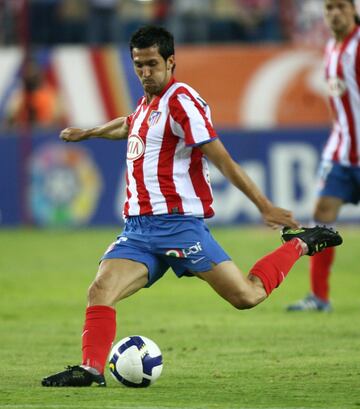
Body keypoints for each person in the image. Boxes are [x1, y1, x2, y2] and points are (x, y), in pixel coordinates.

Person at [41, 25, 342, 387]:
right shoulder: (147, 104)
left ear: (171, 61)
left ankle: (300, 243)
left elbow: (222, 158)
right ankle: (91, 370)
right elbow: (129, 124)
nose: (146, 73)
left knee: (246, 296)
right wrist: (87, 132)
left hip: (179, 226)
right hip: (137, 231)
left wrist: (264, 205)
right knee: (99, 290)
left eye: (152, 64)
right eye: (138, 66)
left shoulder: (182, 100)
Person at [287, 0, 360, 312]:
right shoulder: (332, 47)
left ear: (353, 9)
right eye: (328, 7)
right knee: (321, 215)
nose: (333, 13)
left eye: (340, 6)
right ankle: (319, 297)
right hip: (342, 154)